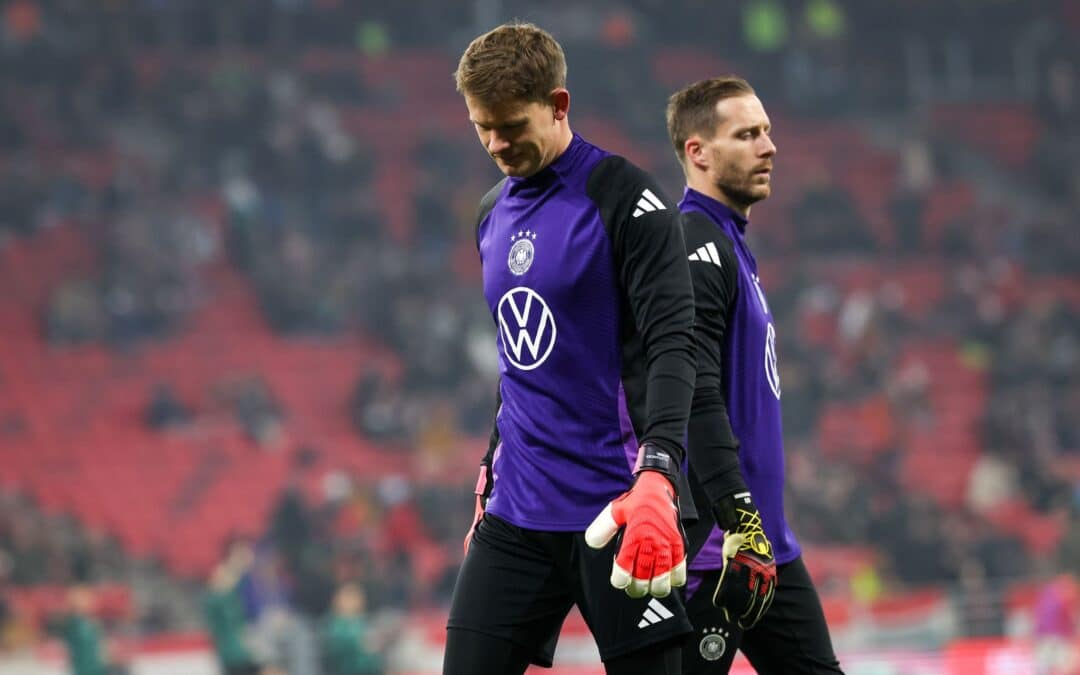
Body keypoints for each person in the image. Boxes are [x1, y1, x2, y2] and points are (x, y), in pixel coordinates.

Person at [444, 22, 698, 675]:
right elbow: (520, 361)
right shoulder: (489, 214)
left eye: (510, 124)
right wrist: (489, 469)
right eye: (482, 127)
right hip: (517, 512)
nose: (496, 143)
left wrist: (659, 476)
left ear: (558, 105)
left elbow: (675, 345)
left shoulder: (627, 201)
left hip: (618, 508)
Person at [665, 76, 844, 674]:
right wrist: (733, 519)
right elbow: (692, 391)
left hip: (767, 546)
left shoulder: (730, 244)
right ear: (699, 152)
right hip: (716, 554)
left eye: (766, 131)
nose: (769, 147)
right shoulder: (694, 244)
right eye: (747, 135)